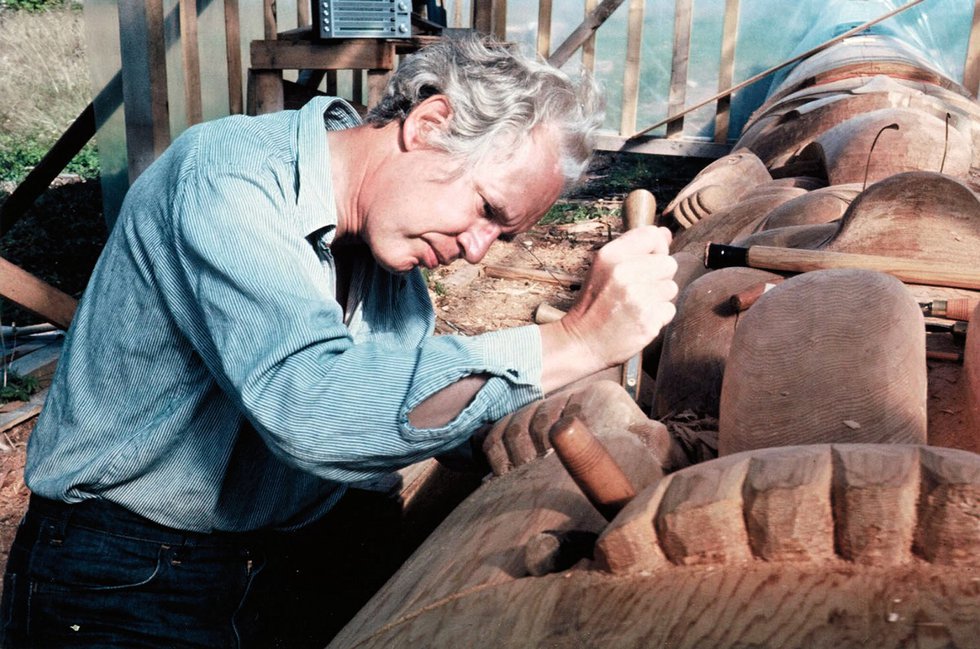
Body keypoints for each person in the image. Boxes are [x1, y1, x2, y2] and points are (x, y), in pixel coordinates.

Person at [0, 33, 678, 648]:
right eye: (486, 211)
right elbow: (314, 410)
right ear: (430, 123)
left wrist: (499, 429)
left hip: (284, 555)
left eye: (503, 236)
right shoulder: (230, 180)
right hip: (129, 576)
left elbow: (380, 402)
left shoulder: (388, 259)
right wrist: (576, 340)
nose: (477, 251)